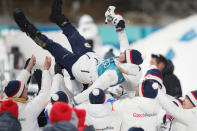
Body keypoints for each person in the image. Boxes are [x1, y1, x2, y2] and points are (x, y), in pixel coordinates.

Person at [13, 1, 143, 105]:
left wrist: (74, 102)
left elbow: (93, 90)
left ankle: (26, 27)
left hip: (78, 67)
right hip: (89, 55)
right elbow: (123, 39)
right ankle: (57, 16)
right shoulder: (126, 60)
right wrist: (118, 23)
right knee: (74, 34)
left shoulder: (112, 75)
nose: (120, 54)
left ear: (126, 61)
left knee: (52, 45)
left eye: (123, 55)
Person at [4, 55, 52, 131]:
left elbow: (17, 87)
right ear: (19, 95)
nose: (27, 89)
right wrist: (46, 70)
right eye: (24, 89)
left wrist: (28, 67)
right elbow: (45, 94)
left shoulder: (5, 104)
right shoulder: (28, 109)